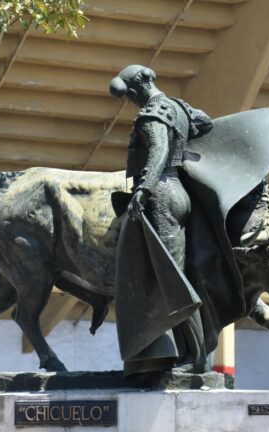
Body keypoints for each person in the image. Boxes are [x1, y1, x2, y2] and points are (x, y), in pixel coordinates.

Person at [109, 64, 213, 376]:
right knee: (171, 278)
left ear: (136, 89)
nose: (131, 102)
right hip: (178, 192)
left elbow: (158, 150)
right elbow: (205, 123)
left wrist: (143, 190)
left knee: (172, 281)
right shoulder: (178, 107)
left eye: (130, 96)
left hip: (160, 196)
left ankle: (198, 359)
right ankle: (188, 354)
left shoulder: (151, 115)